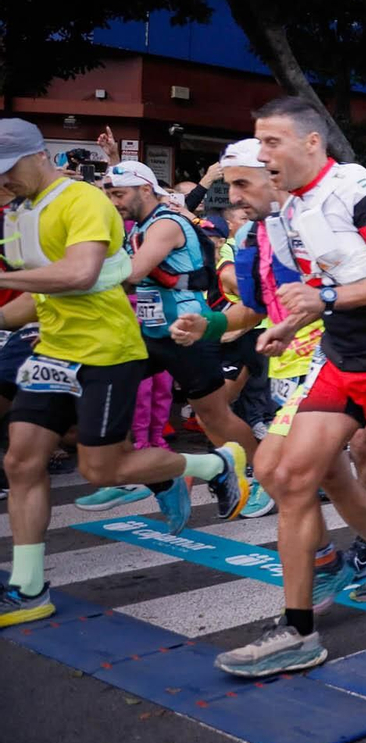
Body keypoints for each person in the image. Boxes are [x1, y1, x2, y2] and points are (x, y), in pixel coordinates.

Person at [210, 98, 366, 677]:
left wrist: (324, 301)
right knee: (288, 474)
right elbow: (324, 286)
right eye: (258, 145)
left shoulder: (359, 193)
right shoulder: (290, 211)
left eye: (273, 143)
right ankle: (298, 629)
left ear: (313, 143)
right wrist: (291, 325)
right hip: (340, 354)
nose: (264, 155)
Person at [0, 119, 244, 628]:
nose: (3, 183)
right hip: (53, 351)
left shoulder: (82, 201)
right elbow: (35, 297)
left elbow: (79, 274)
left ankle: (212, 467)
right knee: (22, 463)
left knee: (102, 468)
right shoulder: (18, 213)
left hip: (108, 351)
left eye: (8, 171)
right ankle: (28, 589)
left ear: (38, 156)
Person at [103, 161, 261, 495]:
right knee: (107, 387)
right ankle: (128, 473)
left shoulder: (165, 224)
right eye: (110, 194)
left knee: (213, 417)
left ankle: (261, 473)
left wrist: (77, 271)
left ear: (145, 190)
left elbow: (132, 273)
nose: (114, 201)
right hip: (150, 332)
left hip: (186, 332)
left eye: (119, 194)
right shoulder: (139, 224)